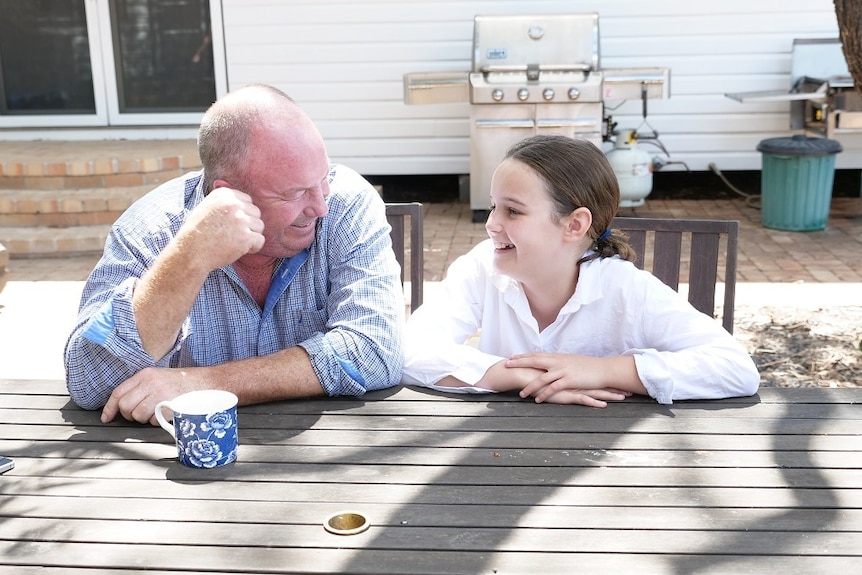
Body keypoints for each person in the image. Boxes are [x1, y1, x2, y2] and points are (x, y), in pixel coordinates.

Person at [65, 83, 405, 424]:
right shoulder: (148, 231)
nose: (320, 207)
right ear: (226, 195)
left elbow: (377, 351)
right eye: (296, 193)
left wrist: (198, 384)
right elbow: (90, 384)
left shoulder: (347, 205)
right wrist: (189, 258)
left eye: (322, 180)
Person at [402, 134, 759, 407]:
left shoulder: (625, 288)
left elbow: (735, 368)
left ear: (574, 225)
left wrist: (604, 370)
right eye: (494, 206)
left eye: (512, 211)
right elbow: (406, 348)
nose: (492, 224)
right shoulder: (481, 268)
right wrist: (521, 377)